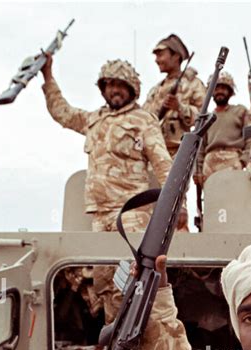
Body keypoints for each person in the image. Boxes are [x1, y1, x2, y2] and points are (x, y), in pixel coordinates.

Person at [41, 54, 172, 322]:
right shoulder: (94, 120)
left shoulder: (142, 120)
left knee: (136, 282)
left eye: (120, 85)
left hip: (132, 214)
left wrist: (176, 207)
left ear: (132, 89)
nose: (115, 90)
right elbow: (62, 113)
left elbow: (164, 164)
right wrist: (47, 76)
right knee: (104, 285)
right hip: (100, 217)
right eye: (109, 84)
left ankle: (144, 349)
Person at [143, 34, 206, 231]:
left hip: (179, 149)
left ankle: (179, 243)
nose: (157, 59)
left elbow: (203, 116)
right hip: (154, 150)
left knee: (177, 201)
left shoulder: (193, 84)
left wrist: (180, 108)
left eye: (161, 54)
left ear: (176, 56)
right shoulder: (156, 90)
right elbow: (143, 118)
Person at [193, 72, 251, 185]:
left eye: (224, 88)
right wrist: (198, 170)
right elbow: (201, 147)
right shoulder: (206, 118)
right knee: (212, 199)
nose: (220, 91)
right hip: (210, 163)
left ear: (230, 91)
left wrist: (243, 161)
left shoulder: (240, 111)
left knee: (233, 198)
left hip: (232, 159)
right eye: (216, 88)